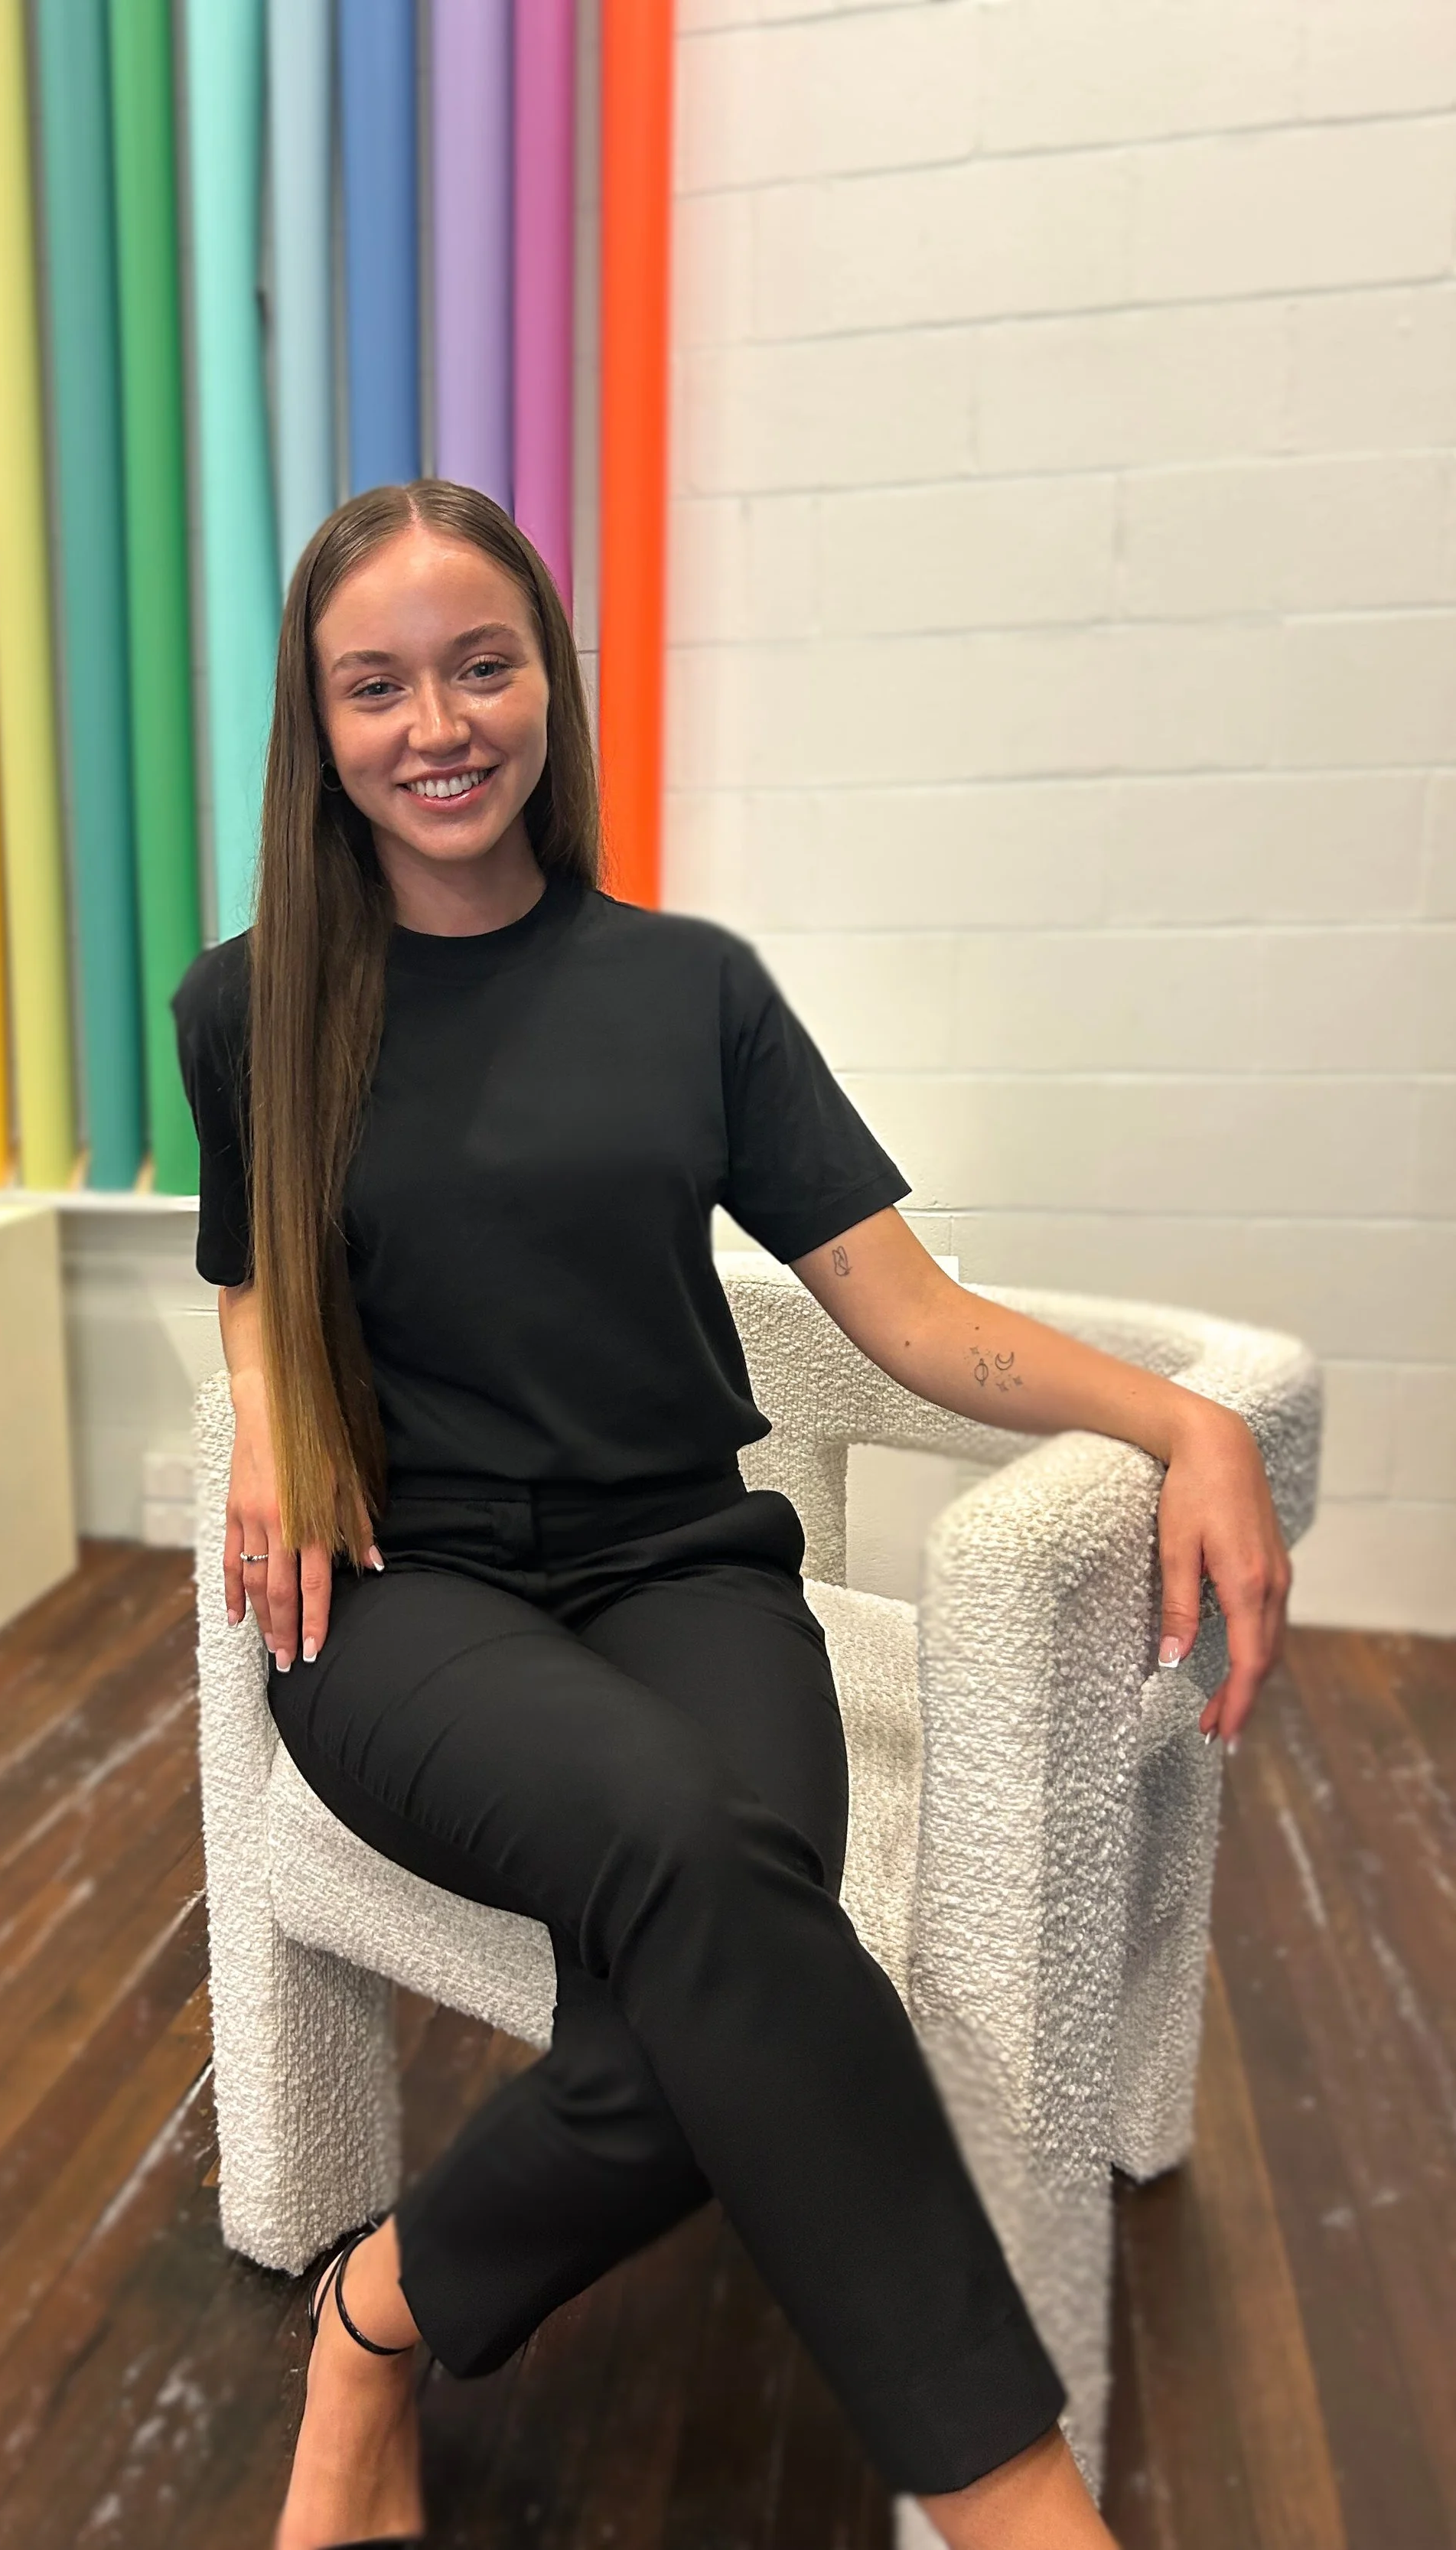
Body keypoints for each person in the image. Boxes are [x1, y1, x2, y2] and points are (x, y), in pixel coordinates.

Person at [172, 480, 1291, 2550]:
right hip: (407, 1601)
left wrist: (1178, 1422)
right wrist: (260, 1417)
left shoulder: (686, 987)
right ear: (316, 728)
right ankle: (1025, 2511)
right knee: (705, 1868)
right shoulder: (250, 1007)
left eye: (481, 661)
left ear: (549, 687)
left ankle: (373, 2316)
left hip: (684, 1563)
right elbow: (250, 1264)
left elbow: (906, 1308)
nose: (437, 719)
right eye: (375, 682)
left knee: (702, 1973)